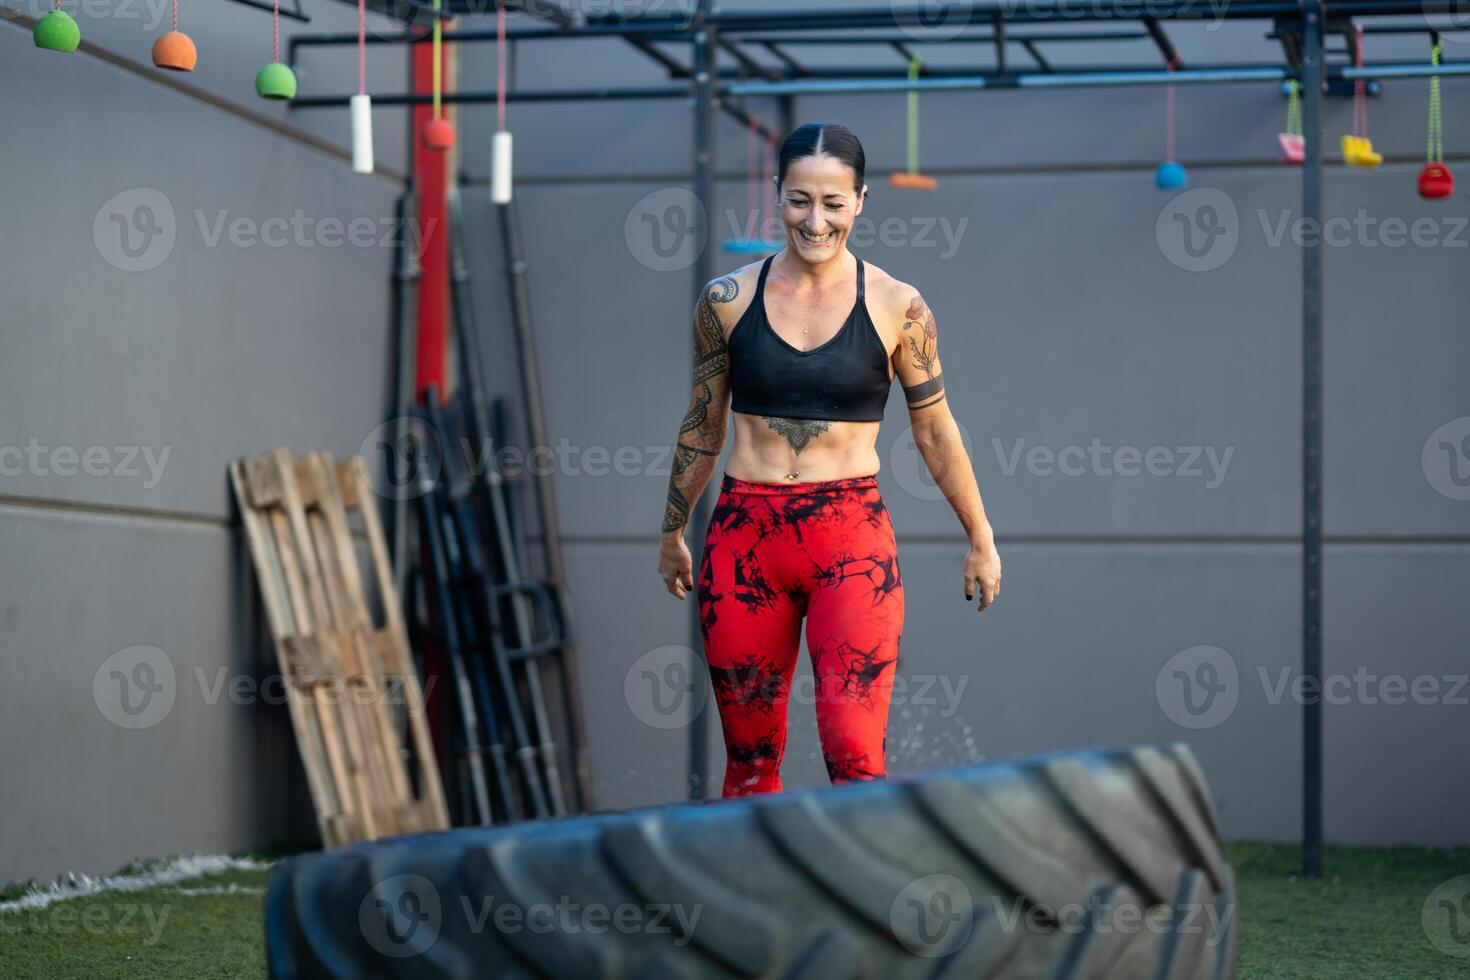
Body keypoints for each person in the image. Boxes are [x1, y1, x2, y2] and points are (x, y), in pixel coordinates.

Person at [657, 122, 1000, 798]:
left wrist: (981, 537)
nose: (815, 221)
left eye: (833, 203)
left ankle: (860, 904)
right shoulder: (725, 302)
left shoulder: (899, 307)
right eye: (799, 200)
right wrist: (672, 531)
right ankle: (757, 901)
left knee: (854, 754)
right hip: (743, 539)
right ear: (778, 197)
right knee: (750, 759)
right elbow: (702, 425)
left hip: (850, 541)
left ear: (861, 201)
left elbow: (936, 430)